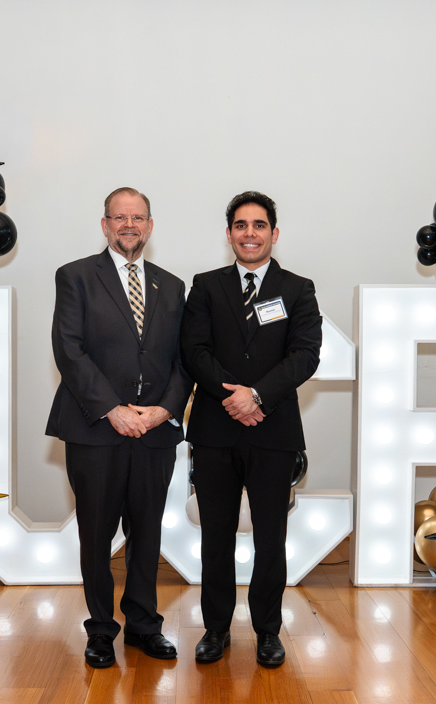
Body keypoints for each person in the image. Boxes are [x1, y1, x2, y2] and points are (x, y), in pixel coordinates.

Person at [46, 187, 192, 668]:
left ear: (150, 226)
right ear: (105, 224)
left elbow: (184, 360)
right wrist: (113, 409)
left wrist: (164, 410)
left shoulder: (172, 286)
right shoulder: (75, 276)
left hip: (155, 432)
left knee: (147, 534)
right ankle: (101, 631)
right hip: (96, 429)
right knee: (96, 535)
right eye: (120, 217)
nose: (129, 225)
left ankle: (144, 626)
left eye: (138, 217)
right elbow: (69, 350)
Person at [180, 191, 322, 667]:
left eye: (259, 225)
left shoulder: (298, 289)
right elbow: (194, 351)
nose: (250, 233)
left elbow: (305, 355)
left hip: (273, 431)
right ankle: (215, 629)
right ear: (229, 234)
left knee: (270, 538)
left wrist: (256, 396)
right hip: (215, 432)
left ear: (274, 233)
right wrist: (233, 397)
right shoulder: (205, 286)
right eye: (240, 225)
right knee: (215, 537)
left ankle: (267, 631)